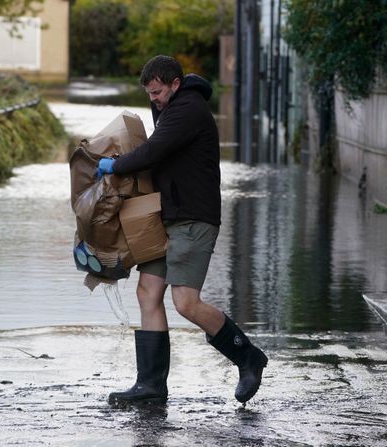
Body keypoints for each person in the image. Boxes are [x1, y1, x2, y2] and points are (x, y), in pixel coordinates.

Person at [97, 55, 268, 406]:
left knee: (186, 302)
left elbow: (154, 151)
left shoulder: (188, 109)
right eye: (149, 94)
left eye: (158, 92)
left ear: (175, 84)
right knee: (148, 292)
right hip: (168, 217)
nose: (154, 99)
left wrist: (115, 165)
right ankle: (151, 385)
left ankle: (249, 357)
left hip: (194, 218)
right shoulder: (171, 106)